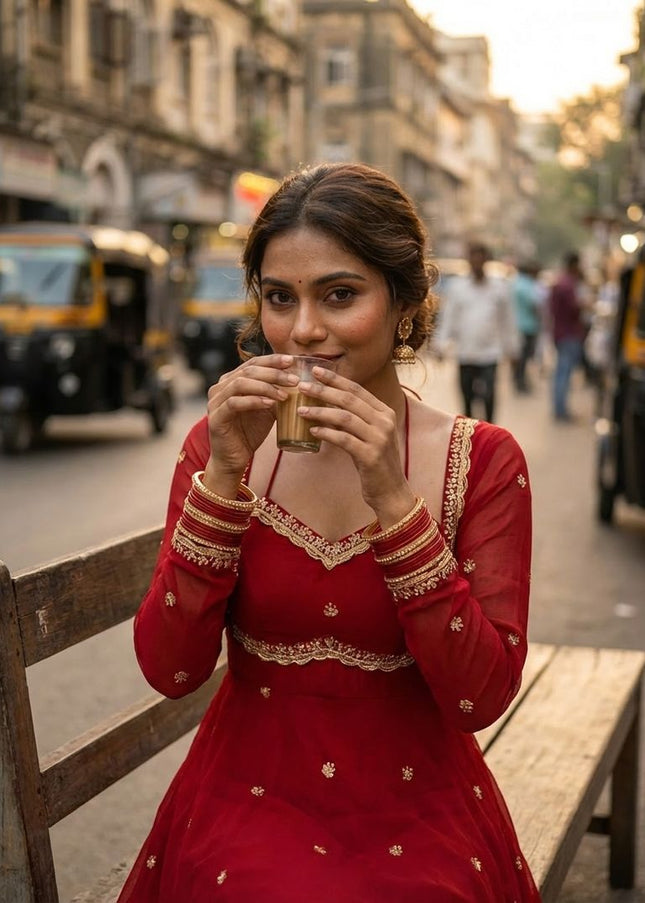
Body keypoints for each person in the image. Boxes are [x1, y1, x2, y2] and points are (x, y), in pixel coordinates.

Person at [117, 162, 540, 903]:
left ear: (404, 303)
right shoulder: (222, 449)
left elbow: (479, 698)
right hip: (246, 791)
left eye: (339, 295)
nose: (303, 331)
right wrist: (222, 475)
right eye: (280, 298)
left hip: (419, 802)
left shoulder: (482, 461)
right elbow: (170, 670)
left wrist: (390, 492)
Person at [433, 242, 519, 423]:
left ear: (486, 260)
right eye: (474, 259)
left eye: (481, 259)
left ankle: (490, 434)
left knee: (488, 396)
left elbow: (507, 321)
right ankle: (470, 439)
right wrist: (440, 344)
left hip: (489, 353)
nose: (477, 263)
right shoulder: (458, 287)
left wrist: (512, 348)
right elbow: (448, 317)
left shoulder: (499, 288)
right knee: (467, 399)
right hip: (465, 353)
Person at [548, 251, 589, 422]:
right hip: (569, 333)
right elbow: (574, 308)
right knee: (564, 373)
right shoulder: (568, 284)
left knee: (561, 372)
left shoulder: (560, 282)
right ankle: (561, 410)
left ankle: (560, 408)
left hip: (561, 332)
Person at [511, 260, 544, 394]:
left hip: (516, 325)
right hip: (527, 326)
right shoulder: (527, 285)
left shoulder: (514, 283)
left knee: (520, 356)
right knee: (524, 357)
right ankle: (520, 381)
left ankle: (518, 379)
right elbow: (534, 304)